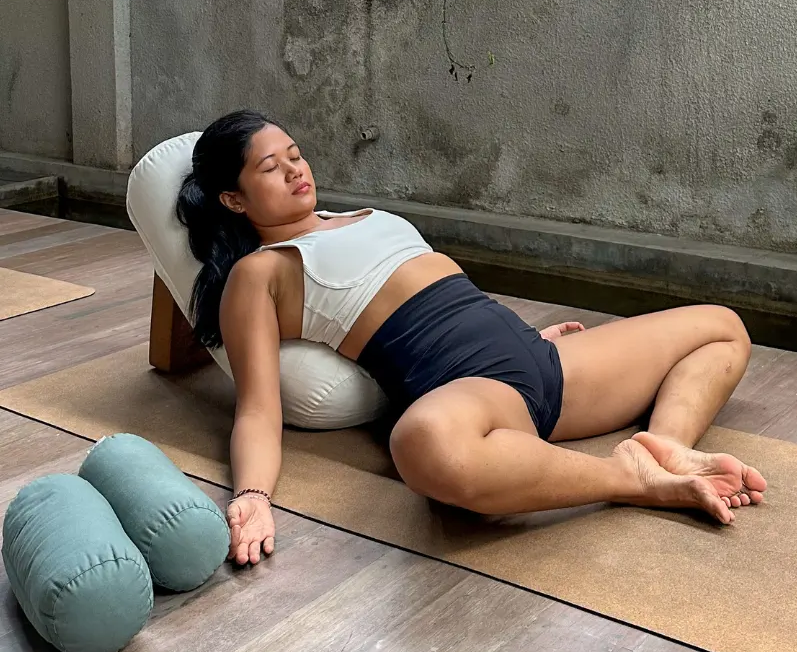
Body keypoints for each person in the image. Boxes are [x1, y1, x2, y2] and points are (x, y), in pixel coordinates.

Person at [176, 109, 766, 567]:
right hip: (475, 394)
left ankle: (664, 447)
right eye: (270, 168)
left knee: (722, 327)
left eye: (296, 155)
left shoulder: (363, 216)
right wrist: (252, 493)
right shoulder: (262, 273)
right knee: (424, 443)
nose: (295, 171)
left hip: (545, 362)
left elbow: (449, 293)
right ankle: (629, 480)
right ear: (234, 199)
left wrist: (528, 335)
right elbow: (257, 407)